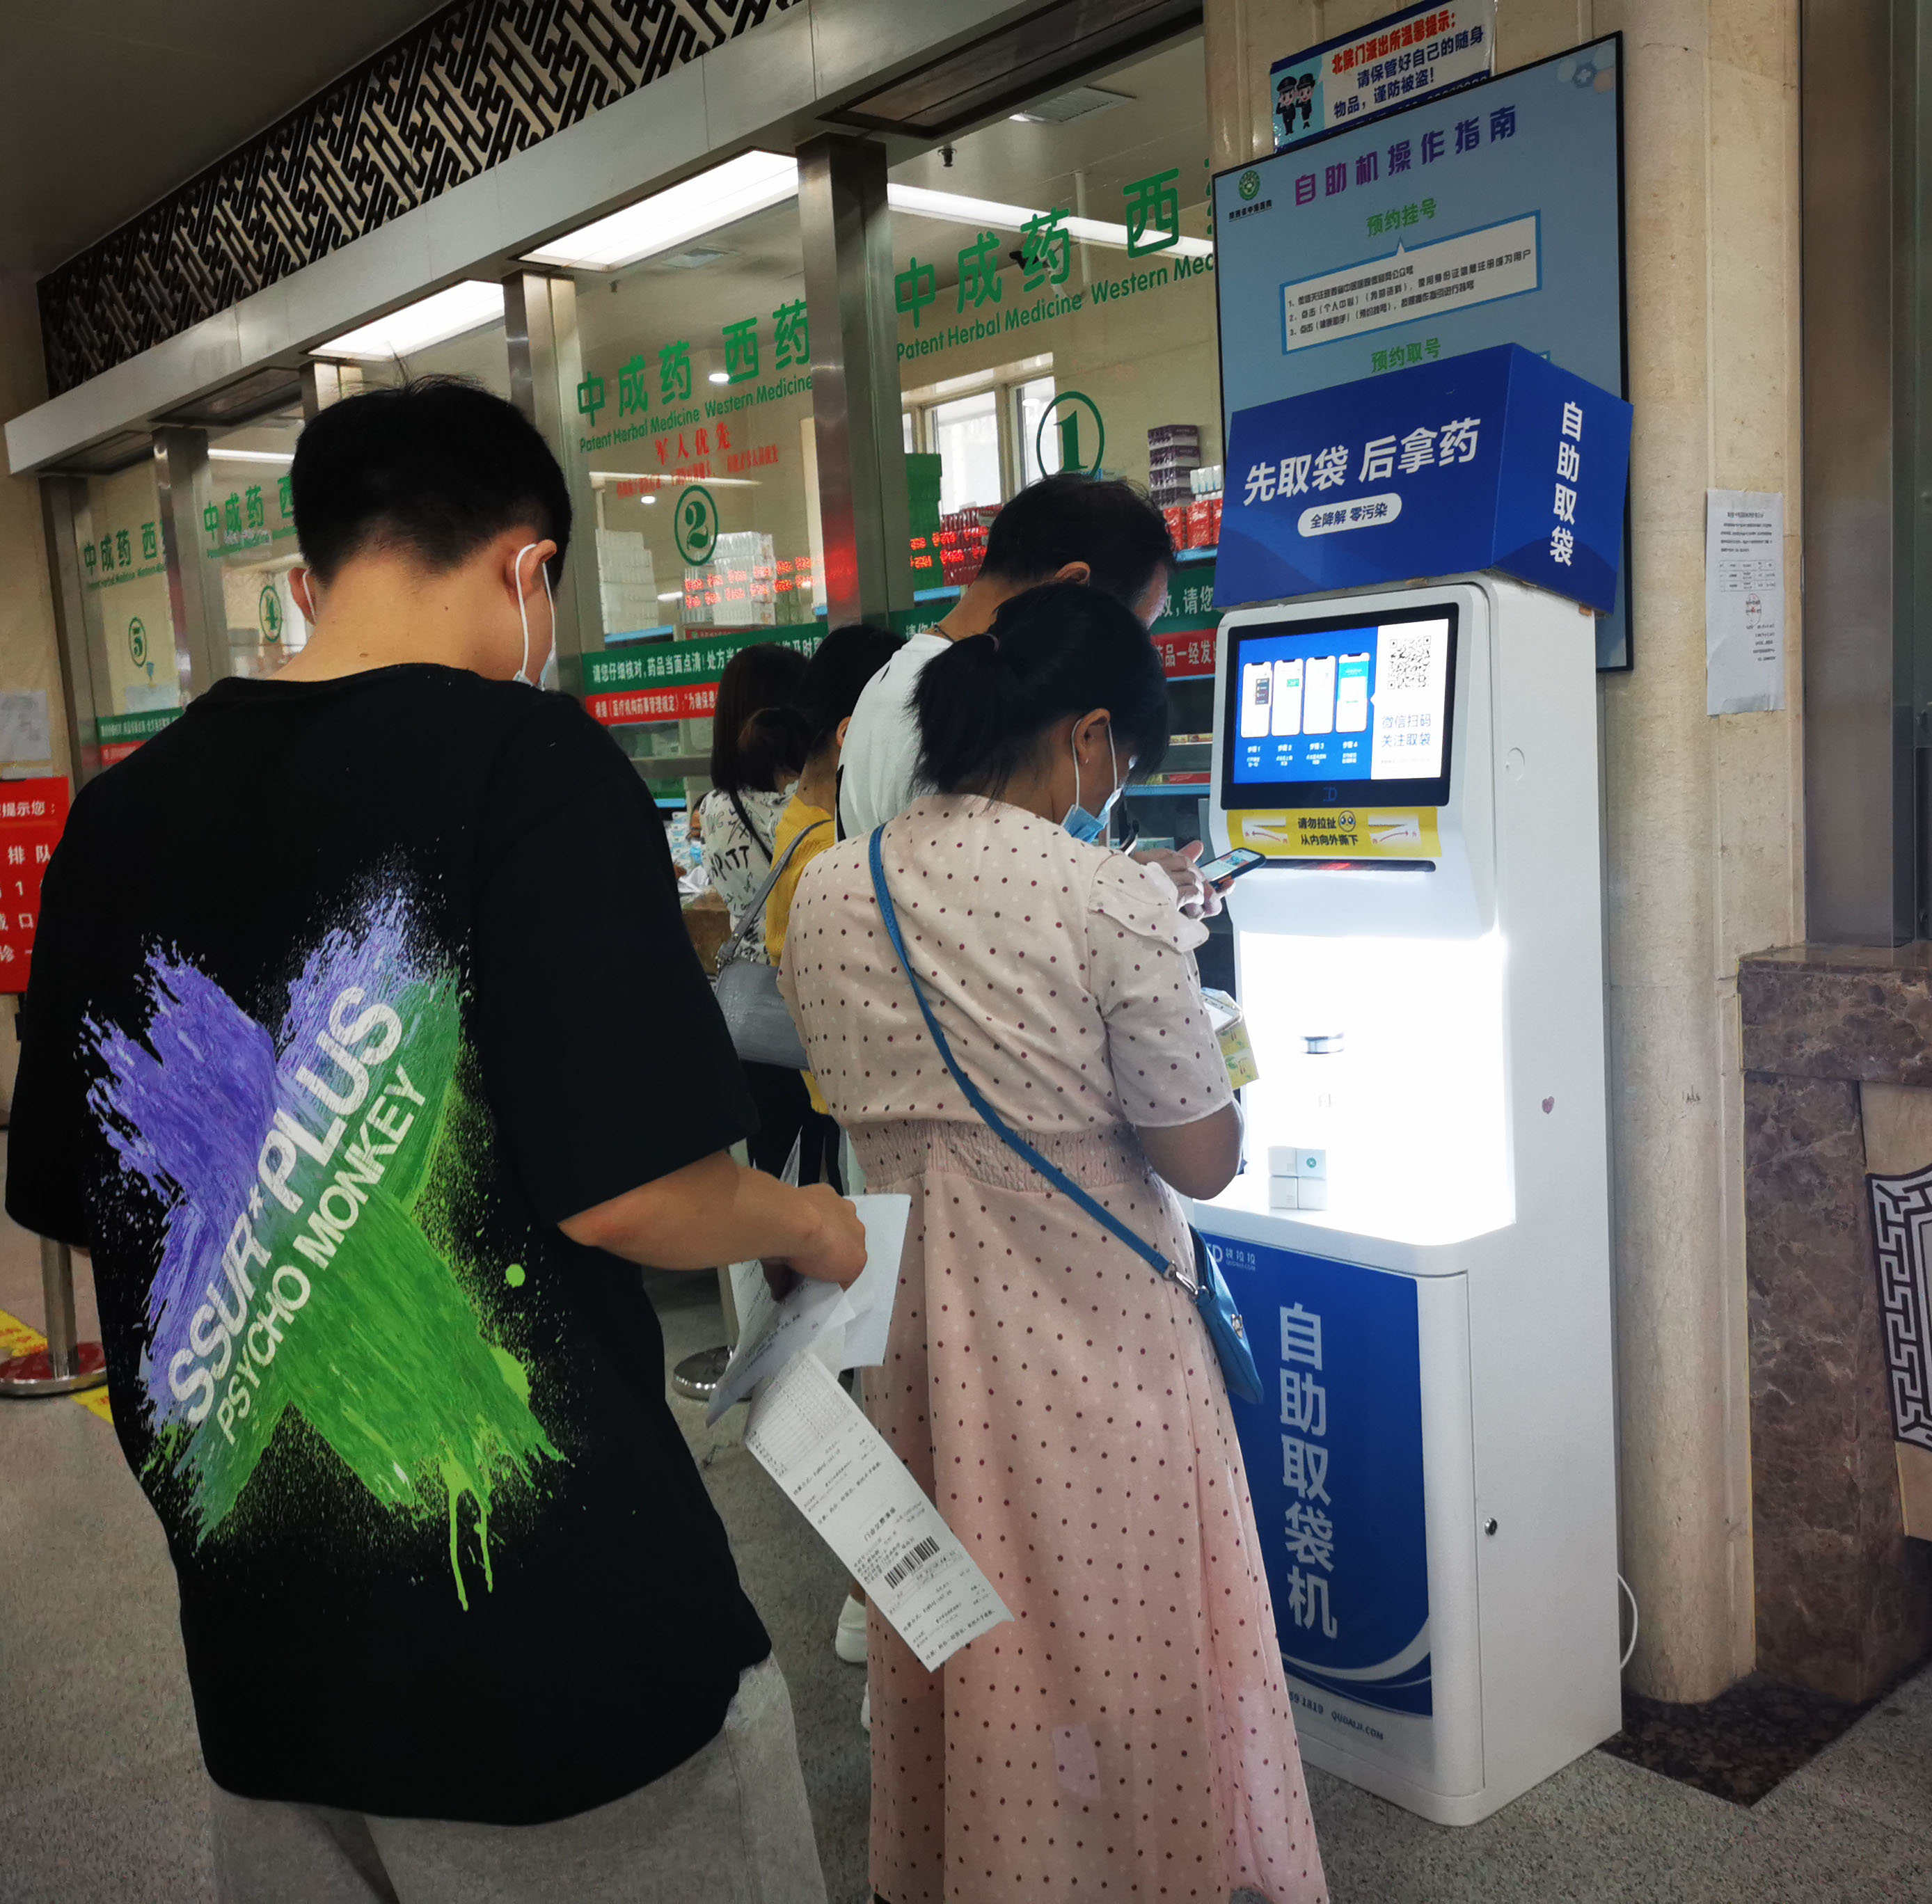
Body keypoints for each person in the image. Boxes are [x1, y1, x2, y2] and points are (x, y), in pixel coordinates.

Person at [6, 377, 865, 1904]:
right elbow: (635, 1191)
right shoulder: (528, 765)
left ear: (313, 571)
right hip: (560, 1669)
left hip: (266, 1662)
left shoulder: (116, 820)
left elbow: (87, 1193)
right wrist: (814, 1228)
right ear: (530, 567)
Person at [780, 582, 1327, 1904]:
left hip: (919, 1341)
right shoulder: (1105, 898)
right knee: (1130, 1644)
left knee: (963, 1648)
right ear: (1089, 738)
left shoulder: (833, 889)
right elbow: (1200, 1156)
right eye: (1122, 760)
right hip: (1095, 1346)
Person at [837, 470, 1222, 916]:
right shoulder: (953, 715)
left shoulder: (908, 682)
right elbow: (986, 921)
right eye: (1131, 632)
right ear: (1070, 586)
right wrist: (1128, 910)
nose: (1132, 663)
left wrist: (1120, 885)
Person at [754, 622, 905, 1194]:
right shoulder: (830, 851)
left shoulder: (807, 818)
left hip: (836, 1099)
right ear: (852, 733)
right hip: (856, 1108)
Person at [697, 640, 811, 1178]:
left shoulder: (715, 808)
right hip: (804, 1002)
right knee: (822, 1159)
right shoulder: (803, 806)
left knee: (773, 1162)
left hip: (749, 1011)